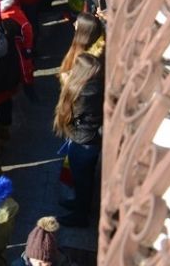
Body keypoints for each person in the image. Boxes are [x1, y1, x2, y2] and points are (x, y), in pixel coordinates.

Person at [52, 53, 103, 227]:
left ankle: (80, 216)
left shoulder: (83, 93)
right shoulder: (96, 86)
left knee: (82, 178)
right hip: (88, 138)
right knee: (83, 178)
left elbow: (69, 114)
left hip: (83, 140)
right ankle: (81, 205)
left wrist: (66, 85)